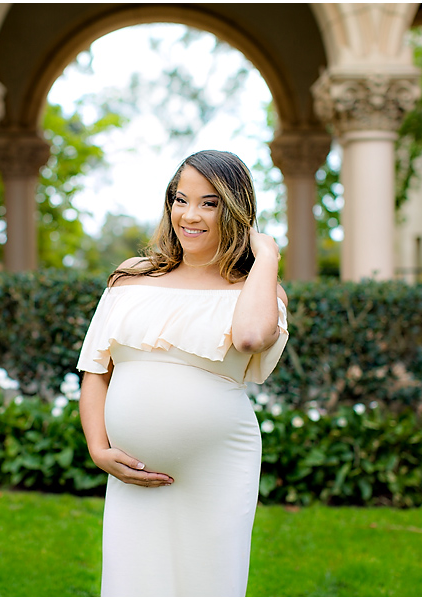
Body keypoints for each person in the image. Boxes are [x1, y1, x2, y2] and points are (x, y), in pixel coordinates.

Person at [76, 149, 289, 597]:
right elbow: (96, 372)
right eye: (180, 199)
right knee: (131, 584)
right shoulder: (130, 280)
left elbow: (251, 337)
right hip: (132, 471)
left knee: (208, 584)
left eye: (209, 203)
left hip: (219, 467)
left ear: (236, 212)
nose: (190, 215)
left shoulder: (256, 289)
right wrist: (98, 448)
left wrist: (265, 255)